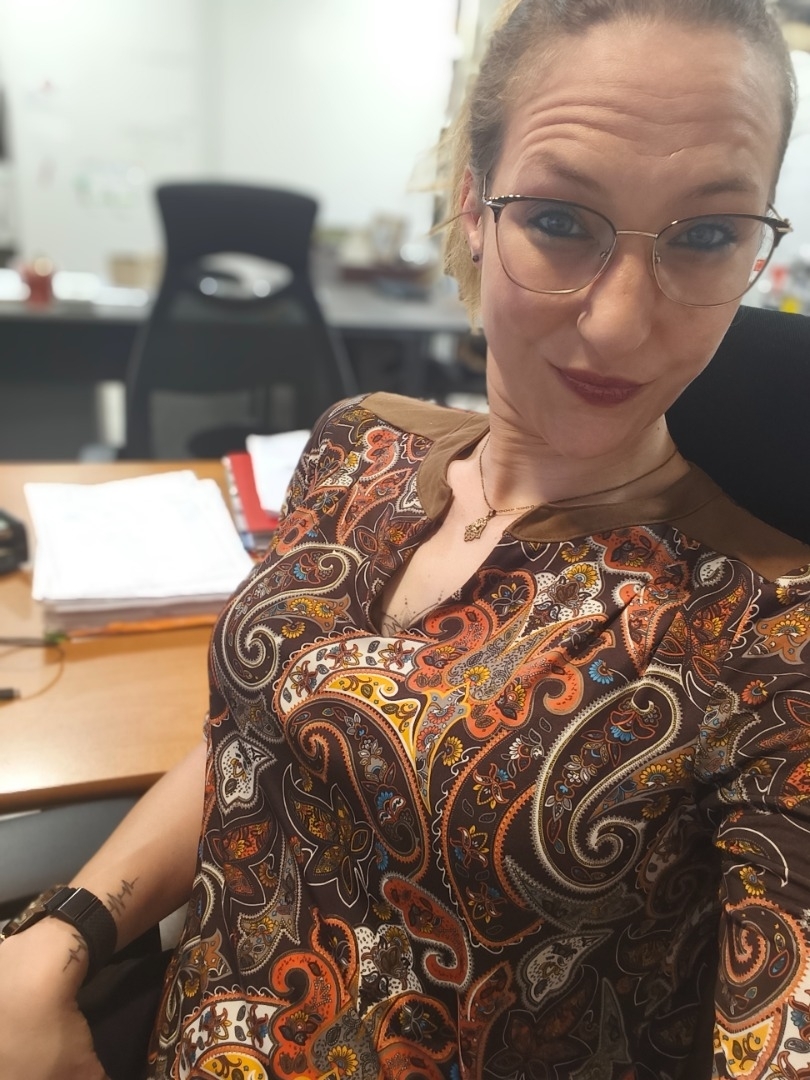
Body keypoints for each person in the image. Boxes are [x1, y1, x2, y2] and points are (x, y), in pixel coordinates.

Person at [2, 1, 810, 1077]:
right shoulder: (356, 446)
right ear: (474, 207)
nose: (619, 322)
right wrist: (64, 935)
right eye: (560, 219)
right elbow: (253, 737)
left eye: (706, 235)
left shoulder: (764, 633)